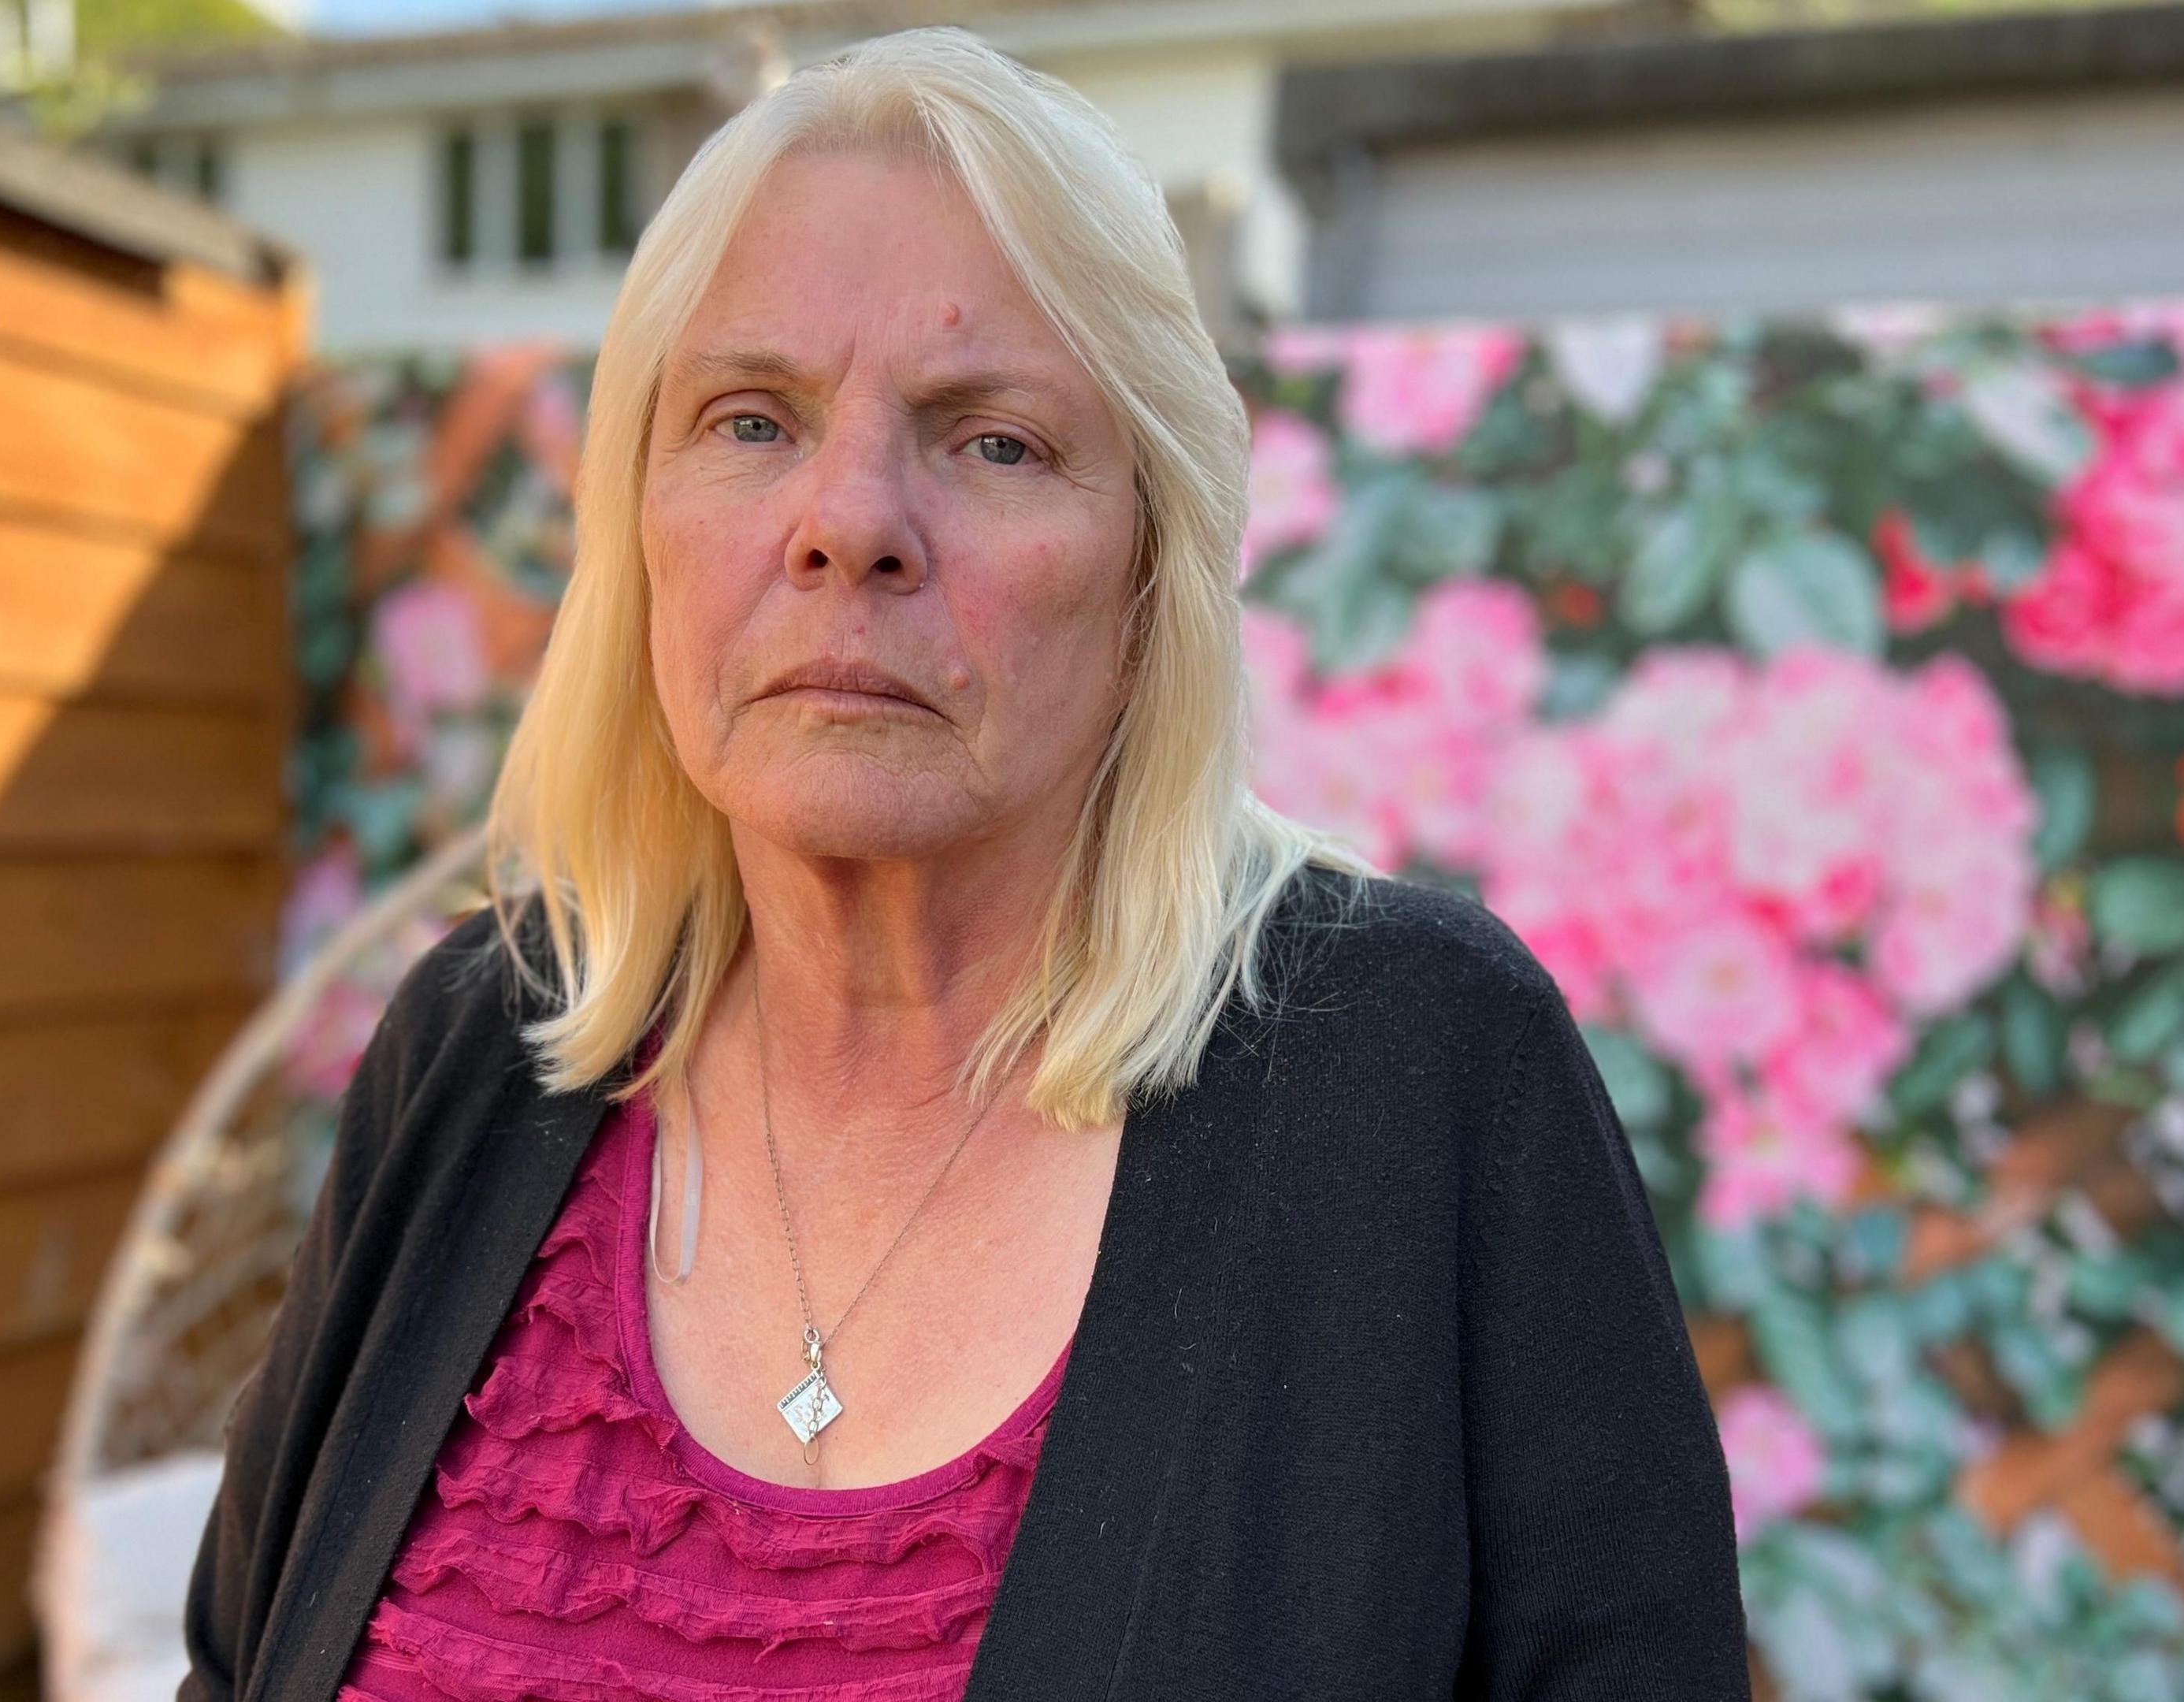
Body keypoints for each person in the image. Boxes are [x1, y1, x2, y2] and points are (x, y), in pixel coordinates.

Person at [180, 26, 1744, 1702]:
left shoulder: (1423, 1078)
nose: (850, 521)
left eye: (993, 439)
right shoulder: (475, 1056)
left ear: (1153, 569)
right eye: (750, 418)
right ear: (636, 524)